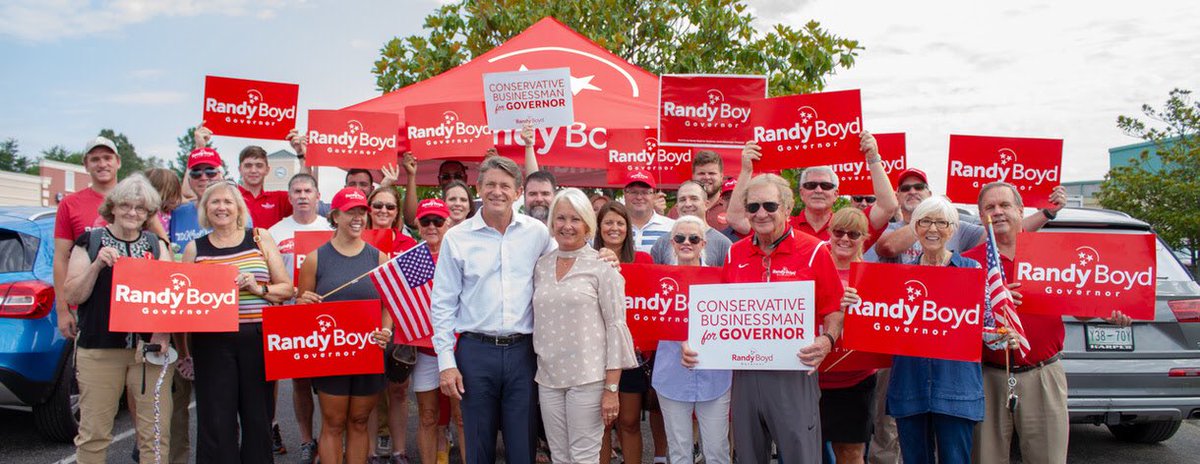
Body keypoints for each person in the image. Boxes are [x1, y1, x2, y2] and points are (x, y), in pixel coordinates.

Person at [682, 173, 845, 463]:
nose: (761, 213)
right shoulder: (735, 253)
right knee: (747, 455)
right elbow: (722, 315)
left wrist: (827, 339)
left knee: (800, 454)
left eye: (769, 205)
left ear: (787, 207)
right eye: (753, 207)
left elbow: (833, 309)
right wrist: (697, 344)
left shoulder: (815, 251)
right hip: (745, 373)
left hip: (794, 371)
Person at [965, 182, 1131, 464]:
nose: (998, 212)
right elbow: (958, 323)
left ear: (1020, 209)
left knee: (1048, 458)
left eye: (1005, 205)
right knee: (985, 458)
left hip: (1042, 374)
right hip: (987, 375)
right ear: (982, 217)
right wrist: (990, 303)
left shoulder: (1053, 255)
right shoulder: (967, 264)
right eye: (990, 207)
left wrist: (1108, 312)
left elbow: (1081, 309)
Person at [430, 156, 553, 463]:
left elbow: (567, 264)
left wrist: (603, 257)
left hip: (523, 353)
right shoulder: (457, 238)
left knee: (522, 448)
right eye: (491, 185)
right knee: (478, 447)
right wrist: (446, 362)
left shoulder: (537, 233)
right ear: (479, 188)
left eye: (505, 186)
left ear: (518, 191)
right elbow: (443, 303)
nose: (497, 191)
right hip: (475, 353)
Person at [62, 175, 174, 464]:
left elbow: (172, 297)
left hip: (147, 351)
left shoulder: (155, 245)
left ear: (149, 214)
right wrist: (97, 265)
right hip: (100, 349)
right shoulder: (90, 241)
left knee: (154, 433)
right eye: (125, 205)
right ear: (112, 207)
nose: (132, 213)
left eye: (140, 208)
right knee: (95, 433)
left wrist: (163, 334)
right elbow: (73, 293)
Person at [182, 180, 292, 463]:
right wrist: (183, 351)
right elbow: (181, 303)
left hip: (256, 338)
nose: (221, 207)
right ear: (206, 209)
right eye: (215, 202)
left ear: (238, 208)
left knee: (258, 418)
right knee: (216, 421)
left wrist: (258, 289)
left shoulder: (259, 238)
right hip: (211, 342)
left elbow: (287, 289)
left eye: (228, 202)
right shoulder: (194, 249)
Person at [532, 188, 638, 463]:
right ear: (552, 222)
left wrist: (611, 389)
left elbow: (616, 328)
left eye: (576, 219)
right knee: (559, 456)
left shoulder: (603, 266)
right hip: (548, 378)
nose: (567, 226)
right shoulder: (541, 266)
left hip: (588, 378)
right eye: (561, 218)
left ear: (588, 224)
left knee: (584, 457)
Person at [879, 196, 986, 463]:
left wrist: (1005, 325)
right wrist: (855, 305)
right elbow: (881, 324)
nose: (933, 229)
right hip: (910, 385)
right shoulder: (899, 278)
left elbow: (989, 328)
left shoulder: (972, 272)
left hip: (956, 388)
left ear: (953, 228)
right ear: (915, 228)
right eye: (925, 221)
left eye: (941, 222)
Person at [293, 187, 394, 464]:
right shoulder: (315, 258)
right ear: (335, 216)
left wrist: (386, 330)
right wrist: (304, 303)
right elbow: (301, 312)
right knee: (334, 422)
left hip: (368, 353)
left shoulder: (378, 258)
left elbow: (388, 306)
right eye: (351, 212)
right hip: (331, 355)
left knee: (360, 420)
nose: (358, 217)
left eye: (362, 211)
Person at [727, 132, 899, 248]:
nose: (818, 190)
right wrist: (746, 171)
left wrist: (873, 159)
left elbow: (888, 207)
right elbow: (735, 219)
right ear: (801, 193)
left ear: (836, 194)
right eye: (810, 185)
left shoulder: (850, 228)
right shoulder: (782, 224)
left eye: (825, 186)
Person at [653, 216, 732, 464]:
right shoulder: (655, 279)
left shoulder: (722, 280)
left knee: (717, 451)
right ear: (672, 242)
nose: (686, 243)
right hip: (671, 374)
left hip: (715, 376)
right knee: (678, 452)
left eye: (693, 238)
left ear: (703, 243)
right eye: (680, 238)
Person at [593, 201, 667, 464]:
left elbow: (652, 308)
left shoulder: (643, 261)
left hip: (630, 354)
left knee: (629, 421)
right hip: (594, 354)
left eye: (620, 223)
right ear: (598, 227)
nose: (614, 228)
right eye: (608, 222)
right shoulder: (587, 259)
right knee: (599, 425)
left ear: (628, 229)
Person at [265, 172, 331, 464]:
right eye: (297, 191)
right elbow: (267, 277)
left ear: (318, 196)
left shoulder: (331, 228)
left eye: (308, 190)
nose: (303, 196)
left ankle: (330, 437)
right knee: (300, 384)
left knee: (331, 386)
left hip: (330, 316)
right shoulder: (274, 232)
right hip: (292, 318)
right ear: (289, 197)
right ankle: (307, 441)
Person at [870, 168, 1066, 263]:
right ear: (897, 196)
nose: (912, 191)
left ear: (929, 193)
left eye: (919, 187)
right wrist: (931, 213)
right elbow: (888, 247)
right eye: (905, 188)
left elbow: (1000, 231)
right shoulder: (888, 228)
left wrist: (1047, 213)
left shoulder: (959, 228)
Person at [409, 198, 467, 464]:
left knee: (462, 417)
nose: (432, 226)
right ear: (418, 225)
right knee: (428, 417)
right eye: (426, 221)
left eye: (438, 221)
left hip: (460, 349)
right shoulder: (411, 260)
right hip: (425, 351)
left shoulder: (461, 253)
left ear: (449, 223)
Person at [821, 208, 880, 464]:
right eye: (838, 232)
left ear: (864, 237)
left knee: (851, 452)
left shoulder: (874, 276)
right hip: (813, 379)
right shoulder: (812, 266)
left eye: (853, 234)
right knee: (808, 451)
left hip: (856, 380)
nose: (845, 239)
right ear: (829, 233)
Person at [363, 185, 417, 464]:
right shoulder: (355, 240)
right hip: (364, 326)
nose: (383, 211)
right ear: (368, 209)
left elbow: (416, 292)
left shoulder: (407, 246)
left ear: (397, 213)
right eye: (378, 206)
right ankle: (370, 451)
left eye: (390, 207)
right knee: (370, 391)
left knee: (398, 390)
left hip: (400, 327)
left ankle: (399, 451)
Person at [55, 136, 121, 342]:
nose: (102, 164)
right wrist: (62, 310)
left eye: (107, 158)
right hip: (84, 306)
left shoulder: (134, 200)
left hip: (127, 304)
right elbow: (60, 258)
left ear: (118, 161)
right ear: (86, 165)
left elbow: (160, 243)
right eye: (95, 159)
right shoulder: (70, 204)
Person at [649, 180, 732, 265]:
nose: (688, 204)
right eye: (682, 199)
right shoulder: (661, 243)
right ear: (677, 207)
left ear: (706, 204)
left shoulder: (723, 244)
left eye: (694, 199)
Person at [169, 146, 227, 252]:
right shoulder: (176, 213)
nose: (203, 177)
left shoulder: (237, 213)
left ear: (221, 176)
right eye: (196, 173)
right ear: (189, 180)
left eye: (210, 172)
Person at [667, 150, 729, 230]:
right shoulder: (676, 211)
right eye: (701, 173)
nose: (707, 177)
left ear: (721, 177)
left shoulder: (730, 209)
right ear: (693, 176)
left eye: (711, 173)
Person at [623, 170, 674, 253]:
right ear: (624, 194)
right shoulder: (615, 227)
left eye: (645, 192)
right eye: (633, 192)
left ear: (654, 195)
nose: (639, 197)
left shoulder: (672, 227)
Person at [144, 167, 182, 246]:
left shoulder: (166, 210)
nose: (175, 199)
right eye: (171, 194)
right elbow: (163, 240)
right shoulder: (150, 213)